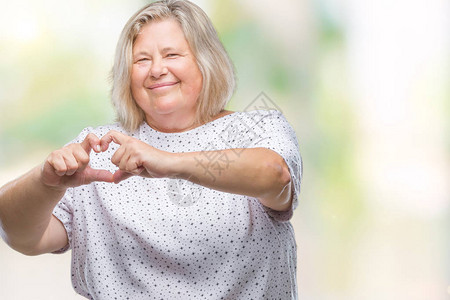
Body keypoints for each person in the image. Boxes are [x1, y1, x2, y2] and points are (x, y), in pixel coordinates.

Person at [0, 0, 302, 299]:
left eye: (171, 54)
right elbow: (23, 236)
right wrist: (44, 182)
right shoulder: (99, 149)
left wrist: (169, 161)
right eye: (141, 60)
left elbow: (275, 176)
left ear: (206, 61)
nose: (156, 69)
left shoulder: (255, 129)